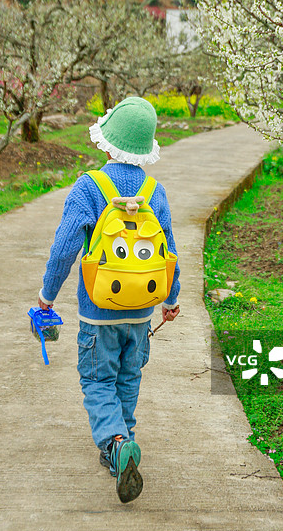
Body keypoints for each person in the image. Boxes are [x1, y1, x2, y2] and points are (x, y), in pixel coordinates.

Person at [37, 96, 180, 503]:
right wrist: (170, 298)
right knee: (128, 377)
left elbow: (65, 247)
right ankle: (125, 441)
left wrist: (47, 296)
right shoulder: (156, 191)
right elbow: (168, 248)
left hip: (97, 312)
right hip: (141, 312)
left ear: (105, 142)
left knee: (98, 380)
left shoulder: (89, 186)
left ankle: (116, 445)